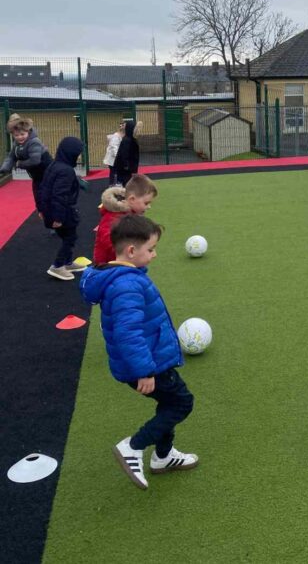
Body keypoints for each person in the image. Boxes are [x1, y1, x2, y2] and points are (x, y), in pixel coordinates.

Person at [79, 215, 198, 491]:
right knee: (182, 403)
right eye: (151, 249)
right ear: (131, 251)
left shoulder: (124, 277)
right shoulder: (126, 285)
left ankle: (163, 456)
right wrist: (145, 370)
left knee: (169, 403)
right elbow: (128, 332)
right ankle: (133, 446)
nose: (154, 255)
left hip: (149, 360)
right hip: (148, 365)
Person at [38, 136, 87, 281]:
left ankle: (67, 262)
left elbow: (43, 189)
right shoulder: (66, 171)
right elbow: (59, 195)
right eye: (77, 154)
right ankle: (58, 265)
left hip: (50, 210)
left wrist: (41, 209)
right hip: (62, 212)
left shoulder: (54, 166)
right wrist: (58, 217)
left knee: (68, 236)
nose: (78, 157)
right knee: (70, 237)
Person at [93, 174, 158, 265]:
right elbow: (108, 240)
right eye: (146, 203)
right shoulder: (113, 217)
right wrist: (132, 251)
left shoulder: (130, 215)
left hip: (123, 262)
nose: (149, 207)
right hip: (108, 266)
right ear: (132, 199)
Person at [0, 113, 53, 208]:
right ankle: (42, 210)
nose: (20, 137)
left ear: (28, 132)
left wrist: (20, 164)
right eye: (16, 135)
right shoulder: (17, 144)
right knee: (38, 194)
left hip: (47, 170)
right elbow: (11, 157)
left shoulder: (34, 142)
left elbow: (35, 160)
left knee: (48, 192)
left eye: (22, 134)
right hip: (36, 174)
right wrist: (4, 169)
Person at [113, 119, 142, 186]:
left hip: (129, 168)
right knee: (127, 184)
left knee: (129, 184)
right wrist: (126, 166)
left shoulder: (132, 139)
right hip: (126, 169)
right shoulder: (127, 140)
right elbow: (124, 154)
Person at [103, 121, 126, 186]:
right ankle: (113, 184)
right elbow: (114, 147)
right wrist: (117, 156)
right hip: (114, 158)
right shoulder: (116, 136)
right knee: (114, 171)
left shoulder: (123, 135)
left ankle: (116, 184)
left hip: (117, 157)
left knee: (116, 171)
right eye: (123, 125)